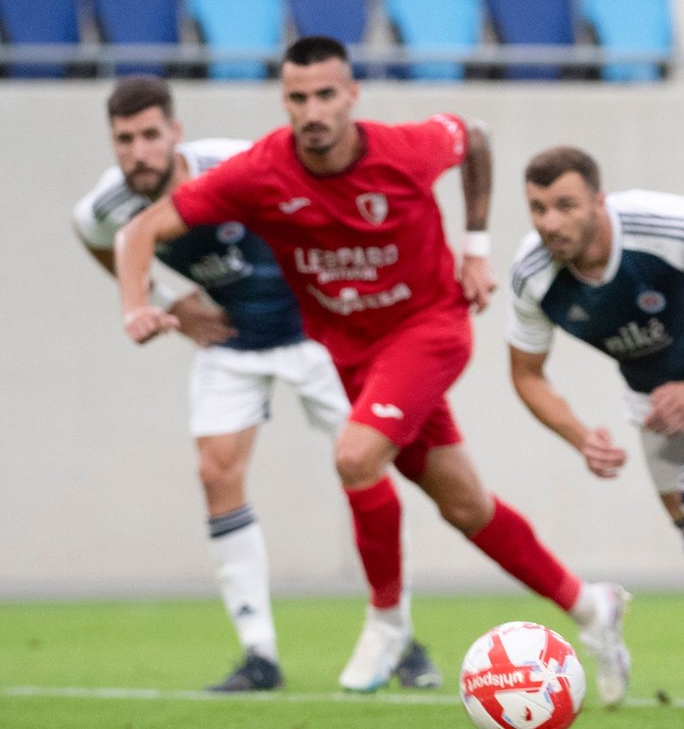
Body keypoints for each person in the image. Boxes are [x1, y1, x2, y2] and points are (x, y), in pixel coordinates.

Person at [111, 37, 631, 703]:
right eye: (298, 98)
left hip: (429, 329)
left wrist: (475, 248)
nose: (313, 110)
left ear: (351, 94)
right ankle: (591, 606)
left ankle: (387, 620)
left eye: (326, 94)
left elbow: (474, 137)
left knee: (356, 456)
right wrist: (136, 306)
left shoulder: (405, 149)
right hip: (354, 353)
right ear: (285, 103)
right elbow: (140, 230)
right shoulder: (260, 171)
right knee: (466, 504)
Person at [74, 75, 439, 692]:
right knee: (216, 473)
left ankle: (398, 634)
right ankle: (259, 655)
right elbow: (101, 241)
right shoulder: (105, 208)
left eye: (150, 136)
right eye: (125, 140)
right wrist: (166, 302)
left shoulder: (235, 163)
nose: (139, 152)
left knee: (369, 465)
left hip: (316, 330)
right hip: (234, 339)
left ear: (176, 133)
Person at [507, 145, 684, 626]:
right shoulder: (532, 276)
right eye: (538, 208)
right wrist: (581, 438)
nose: (550, 223)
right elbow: (527, 374)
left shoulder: (671, 227)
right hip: (652, 393)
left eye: (566, 206)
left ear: (600, 201)